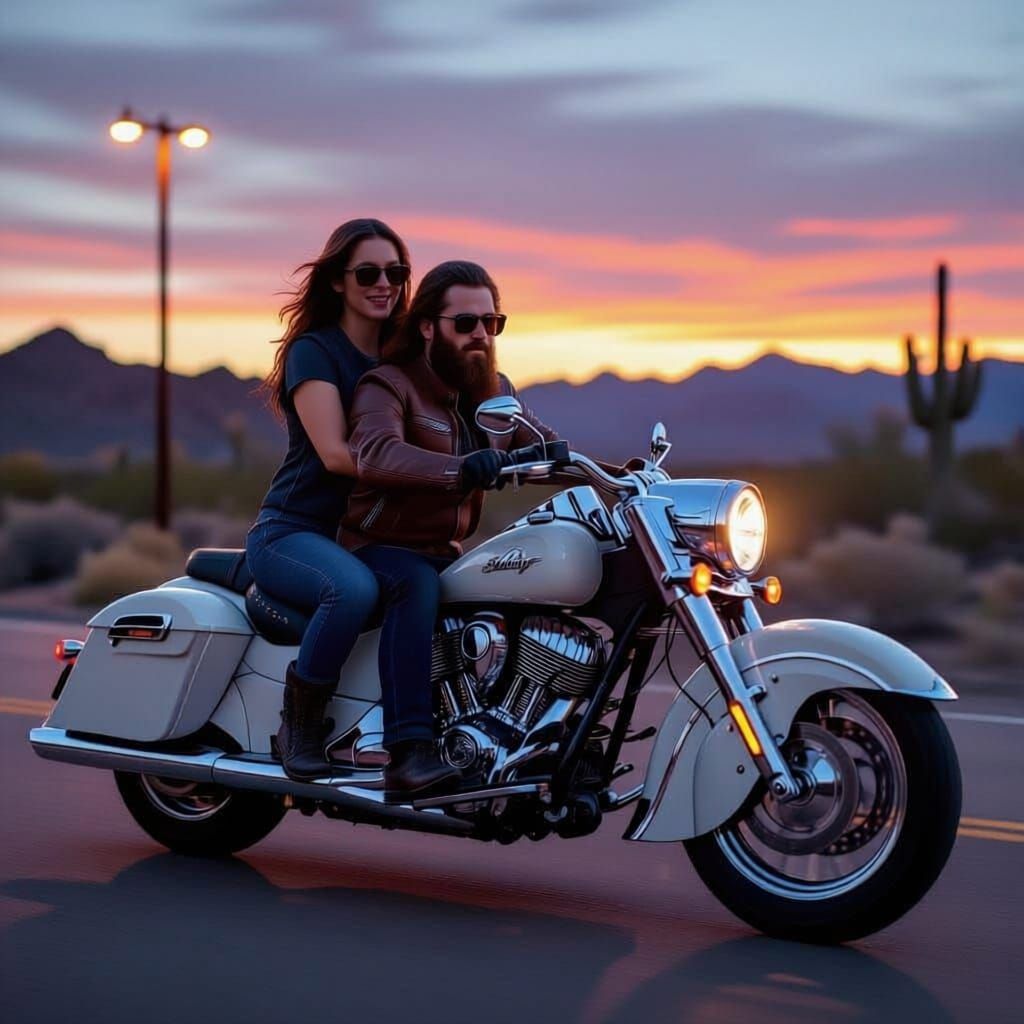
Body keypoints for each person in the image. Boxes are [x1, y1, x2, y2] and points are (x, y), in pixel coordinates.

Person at [343, 260, 560, 798]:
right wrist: (459, 469)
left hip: (443, 547)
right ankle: (407, 752)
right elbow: (375, 453)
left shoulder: (494, 392)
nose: (481, 334)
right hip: (375, 545)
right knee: (415, 583)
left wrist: (621, 477)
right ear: (427, 326)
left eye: (491, 322)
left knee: (516, 580)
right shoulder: (387, 384)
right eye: (465, 323)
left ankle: (516, 735)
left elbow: (546, 444)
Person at [245, 218, 412, 783]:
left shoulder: (400, 357)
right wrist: (437, 473)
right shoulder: (315, 352)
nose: (384, 284)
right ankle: (300, 725)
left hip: (365, 533)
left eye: (396, 272)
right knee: (352, 589)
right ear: (338, 280)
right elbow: (337, 455)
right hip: (293, 531)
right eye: (368, 273)